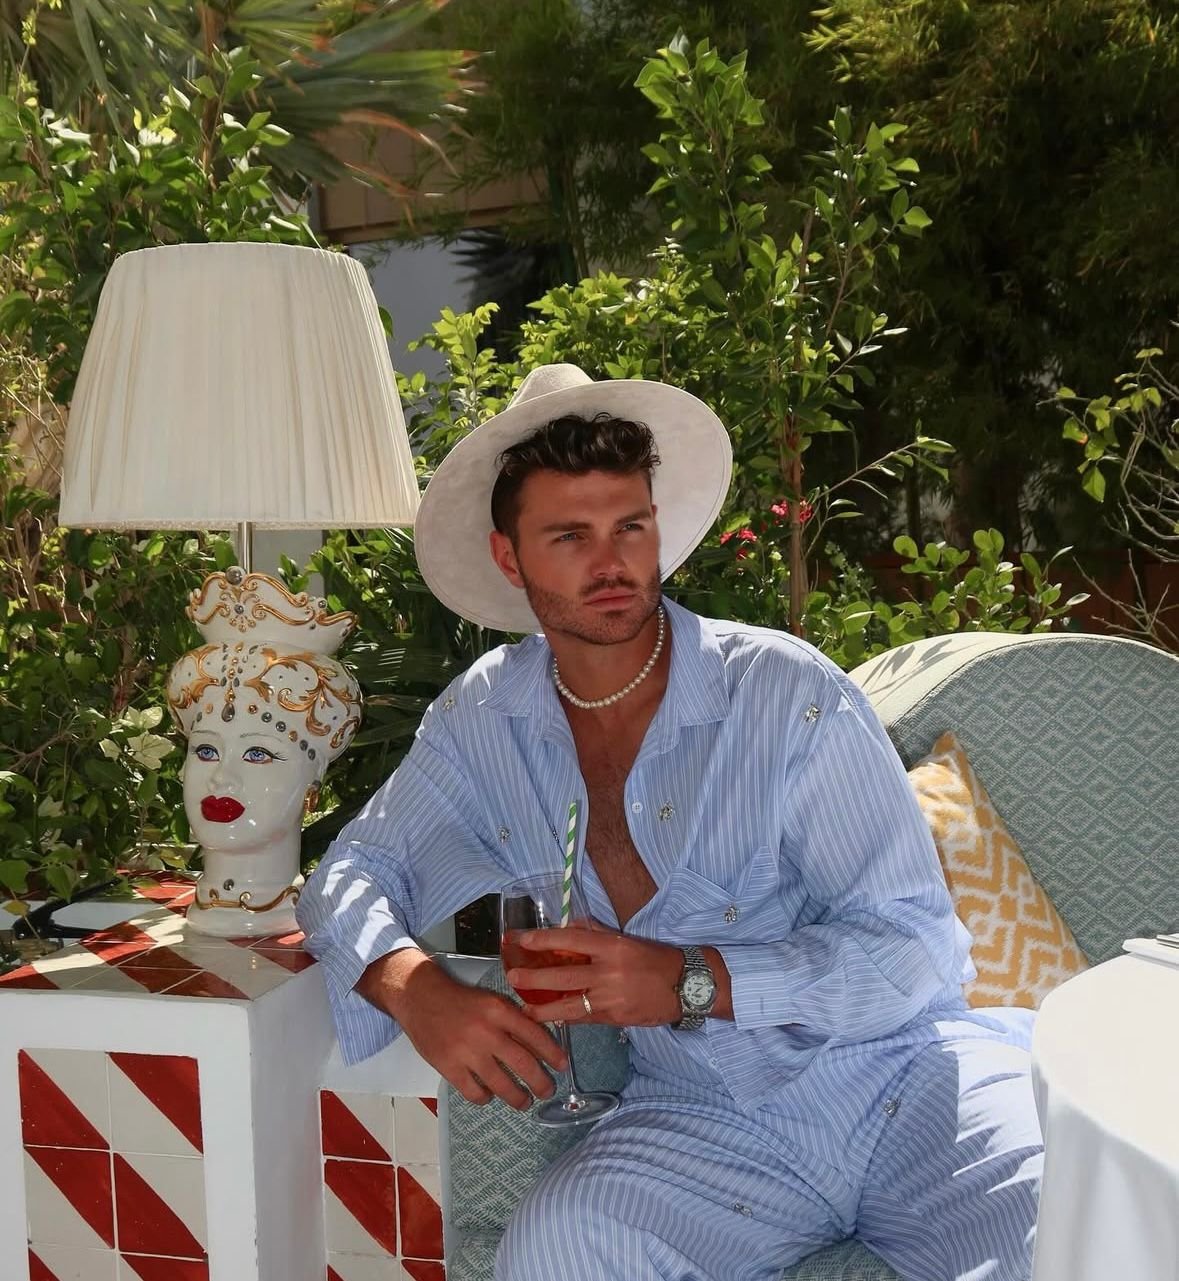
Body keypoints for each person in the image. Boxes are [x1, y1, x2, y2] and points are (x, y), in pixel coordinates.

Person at [296, 363, 1043, 1281]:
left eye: (630, 526)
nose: (610, 563)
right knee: (555, 1251)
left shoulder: (785, 692)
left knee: (1073, 1233)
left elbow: (914, 952)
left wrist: (691, 980)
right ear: (509, 558)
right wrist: (412, 987)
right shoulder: (482, 717)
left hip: (901, 1082)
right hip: (699, 1117)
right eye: (569, 535)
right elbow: (351, 871)